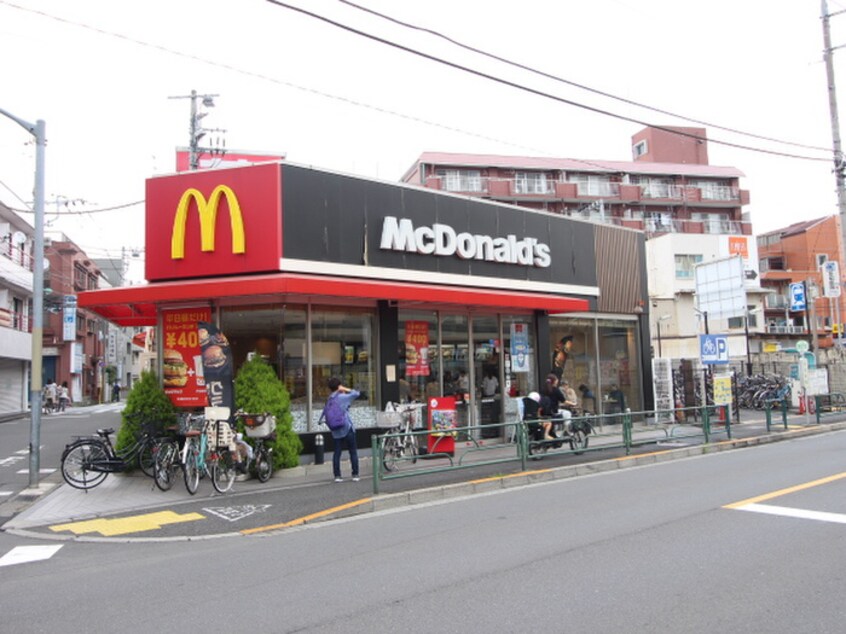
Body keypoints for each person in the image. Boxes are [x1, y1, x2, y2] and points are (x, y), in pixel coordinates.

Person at [319, 377, 360, 482]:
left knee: (337, 453)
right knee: (353, 452)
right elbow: (356, 393)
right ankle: (355, 474)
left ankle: (337, 476)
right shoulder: (342, 397)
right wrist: (345, 389)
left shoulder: (329, 399)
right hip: (346, 427)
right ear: (338, 386)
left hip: (335, 431)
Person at [540, 373, 570, 439]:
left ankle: (555, 432)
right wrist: (573, 403)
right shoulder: (556, 390)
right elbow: (564, 400)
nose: (557, 381)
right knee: (567, 413)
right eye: (556, 380)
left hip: (544, 411)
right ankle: (566, 431)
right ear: (554, 381)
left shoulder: (543, 389)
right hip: (553, 411)